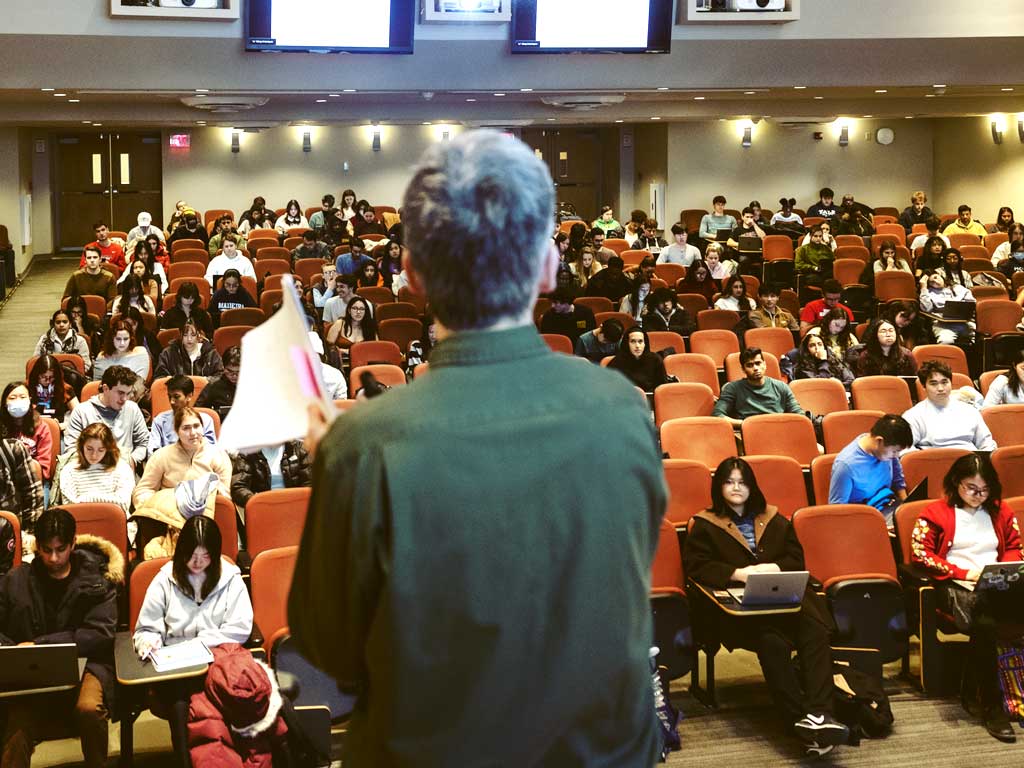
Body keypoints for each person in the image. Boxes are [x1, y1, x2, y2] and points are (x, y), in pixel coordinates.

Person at [289, 130, 665, 766]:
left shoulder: (362, 446)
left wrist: (338, 466)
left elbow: (330, 651)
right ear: (548, 266)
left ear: (410, 274)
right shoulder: (624, 410)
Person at [682, 458, 849, 757]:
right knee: (771, 644)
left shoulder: (774, 518)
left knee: (815, 633)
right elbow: (696, 568)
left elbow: (796, 561)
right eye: (729, 482)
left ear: (752, 486)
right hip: (742, 612)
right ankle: (797, 721)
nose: (736, 488)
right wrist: (738, 573)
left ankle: (820, 714)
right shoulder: (705, 524)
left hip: (784, 602)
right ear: (718, 486)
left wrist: (775, 565)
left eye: (742, 482)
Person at [910, 453, 1023, 742]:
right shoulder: (934, 513)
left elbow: (1014, 546)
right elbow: (921, 555)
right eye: (971, 488)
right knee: (984, 623)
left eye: (984, 490)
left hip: (996, 583)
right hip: (956, 585)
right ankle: (992, 706)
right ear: (955, 483)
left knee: (995, 608)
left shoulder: (1000, 511)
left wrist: (1004, 570)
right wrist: (963, 572)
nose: (978, 495)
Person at [0, 507, 122, 768]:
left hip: (86, 663)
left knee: (89, 709)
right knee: (16, 727)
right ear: (36, 546)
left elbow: (100, 634)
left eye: (61, 549)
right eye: (47, 550)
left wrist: (39, 644)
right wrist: (14, 652)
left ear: (73, 544)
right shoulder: (16, 581)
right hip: (31, 672)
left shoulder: (97, 577)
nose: (54, 558)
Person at [133, 515, 252, 760]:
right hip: (177, 668)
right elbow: (146, 629)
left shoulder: (230, 579)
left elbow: (240, 628)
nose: (197, 563)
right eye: (191, 555)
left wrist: (203, 643)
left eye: (205, 556)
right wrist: (149, 642)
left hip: (217, 662)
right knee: (179, 704)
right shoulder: (164, 580)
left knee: (238, 697)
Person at [133, 406, 231, 510]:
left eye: (196, 426)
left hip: (206, 513)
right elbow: (143, 491)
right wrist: (160, 506)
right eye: (186, 428)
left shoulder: (218, 455)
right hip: (169, 513)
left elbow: (224, 495)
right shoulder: (161, 456)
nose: (193, 433)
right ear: (177, 431)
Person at [829, 415, 913, 520]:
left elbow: (898, 480)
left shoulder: (886, 452)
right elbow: (837, 510)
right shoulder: (846, 465)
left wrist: (905, 507)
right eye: (895, 451)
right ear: (879, 441)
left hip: (889, 503)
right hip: (862, 516)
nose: (896, 455)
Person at [65, 366, 149, 470]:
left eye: (128, 393)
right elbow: (72, 450)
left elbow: (144, 442)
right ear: (105, 389)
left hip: (124, 469)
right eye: (120, 393)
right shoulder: (81, 412)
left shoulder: (132, 408)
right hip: (90, 470)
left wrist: (133, 459)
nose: (124, 399)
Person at [902, 361, 996, 451]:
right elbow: (905, 448)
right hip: (934, 462)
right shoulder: (913, 415)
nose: (940, 388)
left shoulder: (970, 411)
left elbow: (987, 444)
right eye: (933, 384)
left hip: (969, 462)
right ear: (924, 386)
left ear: (951, 383)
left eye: (944, 382)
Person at [713, 347, 803, 427]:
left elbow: (799, 415)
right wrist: (745, 424)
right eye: (749, 365)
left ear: (764, 364)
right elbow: (718, 415)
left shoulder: (781, 387)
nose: (755, 368)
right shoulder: (733, 388)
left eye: (758, 363)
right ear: (743, 369)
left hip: (779, 429)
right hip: (750, 434)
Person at [57, 423, 136, 512]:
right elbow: (69, 507)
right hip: (80, 522)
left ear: (108, 449)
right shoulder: (69, 470)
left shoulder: (122, 468)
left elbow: (123, 504)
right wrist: (108, 501)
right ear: (81, 446)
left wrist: (84, 500)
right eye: (89, 449)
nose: (94, 455)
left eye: (101, 450)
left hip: (114, 521)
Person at [230, 440, 312, 513]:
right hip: (262, 510)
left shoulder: (298, 448)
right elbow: (238, 487)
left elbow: (310, 483)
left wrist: (296, 504)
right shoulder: (248, 452)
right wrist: (256, 501)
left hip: (294, 508)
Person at [149, 374, 216, 454]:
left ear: (189, 396)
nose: (172, 401)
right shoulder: (159, 421)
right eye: (169, 397)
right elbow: (152, 451)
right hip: (168, 463)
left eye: (176, 397)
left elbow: (211, 451)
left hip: (198, 463)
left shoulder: (206, 420)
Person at [1, 381, 53, 481]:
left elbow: (44, 467)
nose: (18, 401)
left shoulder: (42, 427)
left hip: (34, 480)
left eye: (22, 397)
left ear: (29, 401)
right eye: (12, 398)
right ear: (5, 403)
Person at [91, 320, 150, 399]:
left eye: (125, 339)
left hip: (133, 398)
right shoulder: (102, 357)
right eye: (118, 339)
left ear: (131, 338)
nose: (122, 343)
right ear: (112, 339)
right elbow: (97, 386)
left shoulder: (141, 353)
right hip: (107, 399)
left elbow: (139, 385)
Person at [154, 319, 224, 380]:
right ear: (180, 335)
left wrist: (205, 381)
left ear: (199, 335)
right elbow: (159, 377)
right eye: (185, 335)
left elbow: (220, 376)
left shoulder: (211, 353)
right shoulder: (168, 353)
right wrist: (173, 381)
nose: (189, 339)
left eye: (193, 335)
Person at [919, 271, 975, 345]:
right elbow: (927, 309)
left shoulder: (957, 287)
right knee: (946, 341)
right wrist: (923, 287)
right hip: (943, 324)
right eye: (932, 282)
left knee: (982, 336)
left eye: (936, 277)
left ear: (940, 275)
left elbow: (971, 302)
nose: (936, 282)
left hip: (964, 322)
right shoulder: (929, 293)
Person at [607, 327, 669, 391]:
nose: (637, 346)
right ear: (627, 344)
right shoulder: (617, 362)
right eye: (633, 341)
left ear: (645, 344)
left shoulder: (656, 360)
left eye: (640, 341)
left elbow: (662, 389)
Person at [28, 354, 80, 428]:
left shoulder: (65, 389)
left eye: (51, 377)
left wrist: (64, 425)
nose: (47, 381)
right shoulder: (26, 388)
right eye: (43, 377)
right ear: (36, 374)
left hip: (58, 430)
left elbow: (79, 415)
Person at [34, 308, 92, 372]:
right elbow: (35, 360)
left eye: (65, 322)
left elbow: (86, 364)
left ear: (70, 324)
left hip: (73, 376)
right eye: (58, 322)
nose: (61, 325)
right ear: (53, 324)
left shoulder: (80, 341)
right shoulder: (44, 339)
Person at [195, 347, 240, 415]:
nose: (234, 376)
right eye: (229, 371)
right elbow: (198, 411)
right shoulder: (213, 385)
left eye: (238, 372)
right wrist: (216, 413)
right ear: (223, 367)